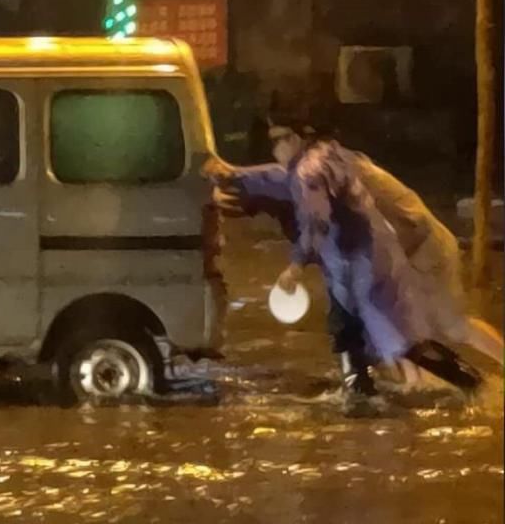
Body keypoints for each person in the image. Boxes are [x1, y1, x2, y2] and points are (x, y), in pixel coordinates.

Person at [207, 120, 486, 413]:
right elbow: (277, 179)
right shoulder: (328, 155)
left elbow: (315, 221)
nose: (275, 148)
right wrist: (232, 175)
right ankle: (370, 393)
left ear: (297, 137)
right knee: (370, 334)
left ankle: (460, 385)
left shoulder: (308, 172)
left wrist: (295, 267)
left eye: (279, 140)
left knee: (391, 339)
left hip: (358, 265)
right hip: (372, 260)